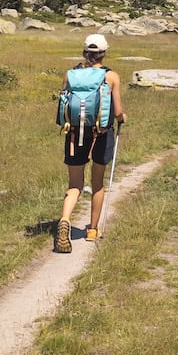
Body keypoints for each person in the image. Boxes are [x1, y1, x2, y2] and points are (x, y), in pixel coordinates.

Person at [55, 33, 125, 253]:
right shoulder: (111, 76)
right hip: (100, 134)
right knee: (97, 183)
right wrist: (122, 118)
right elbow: (118, 111)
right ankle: (93, 229)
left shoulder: (70, 75)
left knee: (74, 185)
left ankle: (65, 219)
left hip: (74, 135)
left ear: (85, 52)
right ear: (104, 53)